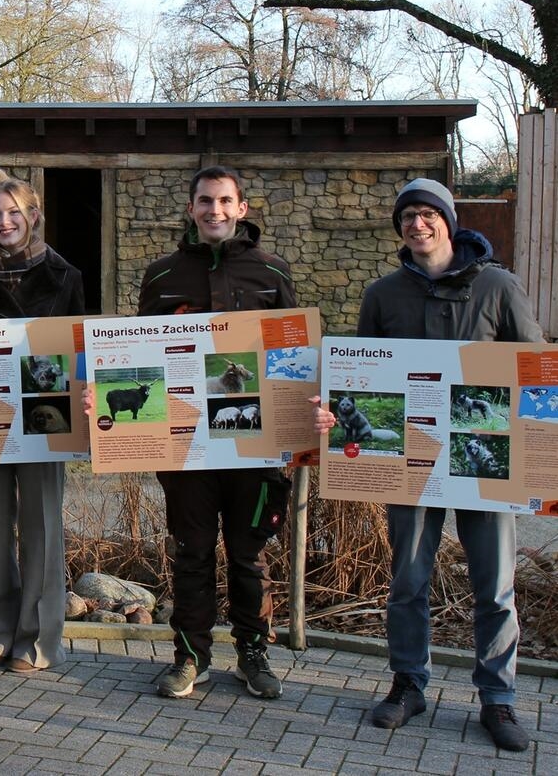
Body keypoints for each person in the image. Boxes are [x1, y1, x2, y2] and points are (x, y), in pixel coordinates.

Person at [313, 178, 541, 752]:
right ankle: (408, 683)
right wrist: (334, 417)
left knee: (494, 586)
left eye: (427, 214)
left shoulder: (497, 286)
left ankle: (498, 699)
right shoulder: (383, 295)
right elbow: (360, 385)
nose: (418, 224)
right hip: (410, 462)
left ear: (449, 218)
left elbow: (535, 371)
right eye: (408, 217)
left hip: (481, 457)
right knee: (409, 580)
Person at [134, 166, 293, 700]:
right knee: (193, 552)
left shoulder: (272, 274)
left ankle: (253, 653)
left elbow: (294, 360)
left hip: (254, 444)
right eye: (205, 201)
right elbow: (139, 361)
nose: (215, 211)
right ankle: (191, 657)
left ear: (241, 208)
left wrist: (303, 421)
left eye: (225, 201)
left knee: (249, 557)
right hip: (186, 447)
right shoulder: (160, 277)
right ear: (191, 208)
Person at [0, 178, 84, 673]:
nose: (4, 222)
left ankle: (38, 639)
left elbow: (79, 353)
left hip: (47, 417)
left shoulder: (66, 276)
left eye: (14, 213)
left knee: (42, 524)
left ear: (33, 214)